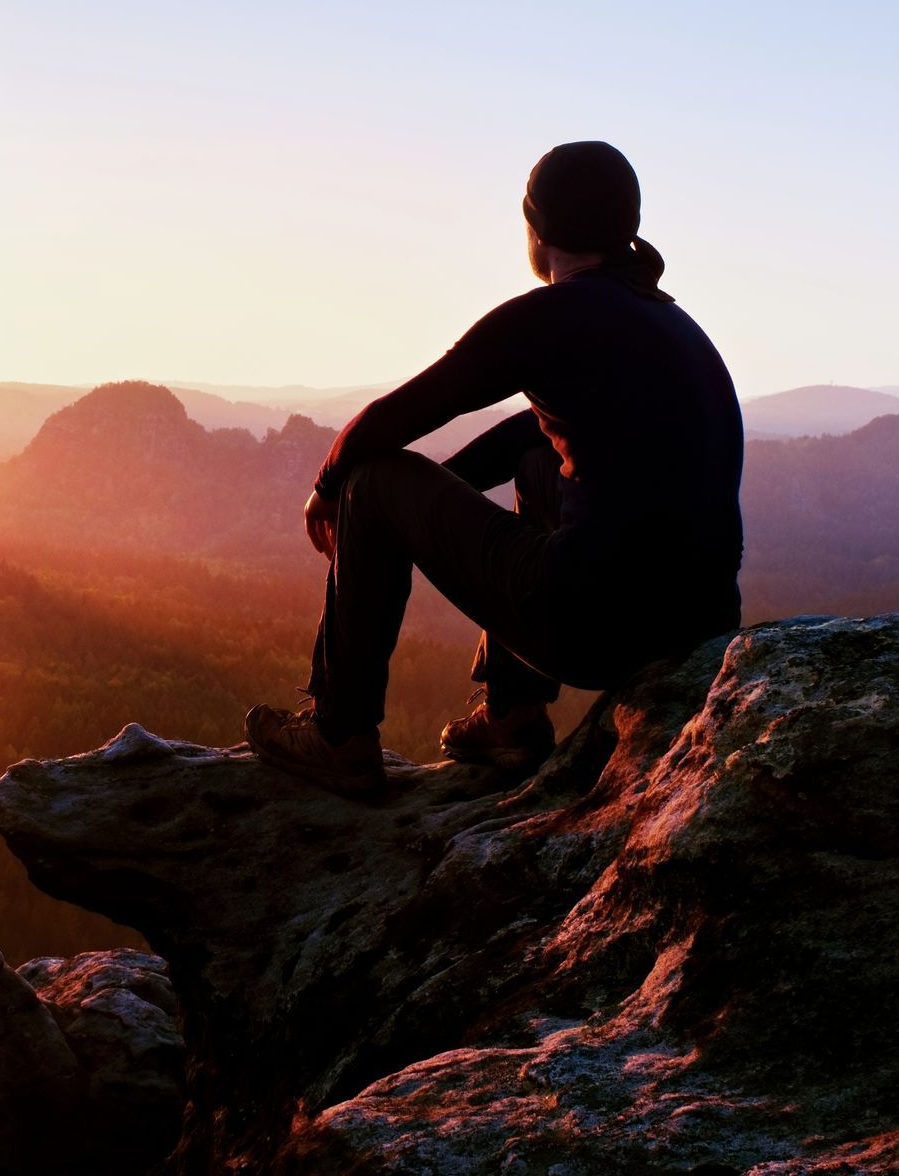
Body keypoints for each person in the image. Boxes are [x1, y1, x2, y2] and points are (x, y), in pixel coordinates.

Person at [244, 141, 743, 799]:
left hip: (595, 628)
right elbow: (532, 435)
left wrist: (333, 487)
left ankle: (340, 734)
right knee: (539, 462)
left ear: (536, 233)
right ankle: (512, 717)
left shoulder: (550, 316)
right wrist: (431, 506)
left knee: (371, 479)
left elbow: (400, 414)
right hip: (696, 627)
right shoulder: (669, 321)